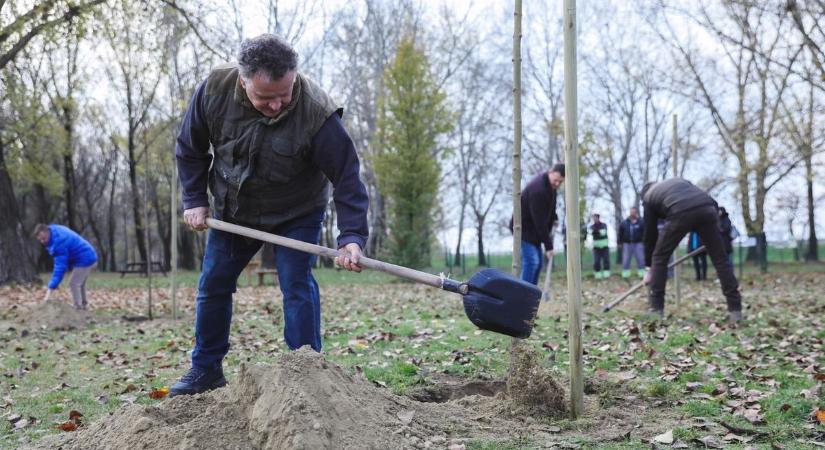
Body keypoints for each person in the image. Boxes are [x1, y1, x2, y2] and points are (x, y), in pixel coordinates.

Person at [173, 34, 369, 396]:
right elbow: (190, 148)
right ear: (243, 80)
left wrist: (352, 237)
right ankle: (205, 370)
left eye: (285, 92)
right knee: (213, 284)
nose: (278, 104)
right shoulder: (214, 90)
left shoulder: (315, 110)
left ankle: (307, 372)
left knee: (296, 284)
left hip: (297, 211)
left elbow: (347, 175)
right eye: (265, 97)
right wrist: (194, 199)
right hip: (234, 211)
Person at [641, 179, 743, 322]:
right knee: (720, 258)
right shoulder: (679, 183)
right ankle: (735, 309)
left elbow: (649, 235)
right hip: (708, 208)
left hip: (679, 211)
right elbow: (711, 202)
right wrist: (713, 232)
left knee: (659, 257)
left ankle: (656, 310)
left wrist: (649, 268)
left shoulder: (648, 197)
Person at [510, 164, 565, 285]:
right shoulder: (538, 189)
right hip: (523, 229)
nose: (557, 184)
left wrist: (554, 217)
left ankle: (531, 294)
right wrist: (549, 246)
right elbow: (539, 221)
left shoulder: (551, 187)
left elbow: (550, 207)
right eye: (556, 180)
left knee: (538, 264)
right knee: (532, 262)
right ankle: (523, 295)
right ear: (551, 172)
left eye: (560, 182)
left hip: (534, 231)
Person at [33, 223, 98, 310]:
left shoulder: (59, 243)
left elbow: (60, 268)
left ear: (47, 231)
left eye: (44, 238)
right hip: (88, 254)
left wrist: (52, 285)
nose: (43, 242)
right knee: (80, 283)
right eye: (40, 240)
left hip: (85, 258)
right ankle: (84, 306)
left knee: (74, 283)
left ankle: (78, 308)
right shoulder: (54, 230)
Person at [618, 207, 645, 279]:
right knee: (626, 260)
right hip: (627, 244)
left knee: (641, 259)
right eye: (631, 212)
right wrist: (620, 243)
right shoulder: (624, 223)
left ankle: (642, 275)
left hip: (638, 244)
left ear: (636, 213)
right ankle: (625, 276)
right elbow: (620, 233)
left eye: (634, 212)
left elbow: (645, 232)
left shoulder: (641, 222)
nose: (632, 213)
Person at [589, 214, 610, 279]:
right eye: (593, 218)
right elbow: (591, 232)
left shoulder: (604, 225)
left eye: (595, 218)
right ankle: (597, 274)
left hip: (604, 246)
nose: (595, 219)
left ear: (598, 218)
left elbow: (603, 233)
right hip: (596, 247)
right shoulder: (592, 226)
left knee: (606, 260)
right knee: (596, 261)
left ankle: (606, 274)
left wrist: (595, 232)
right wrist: (597, 232)